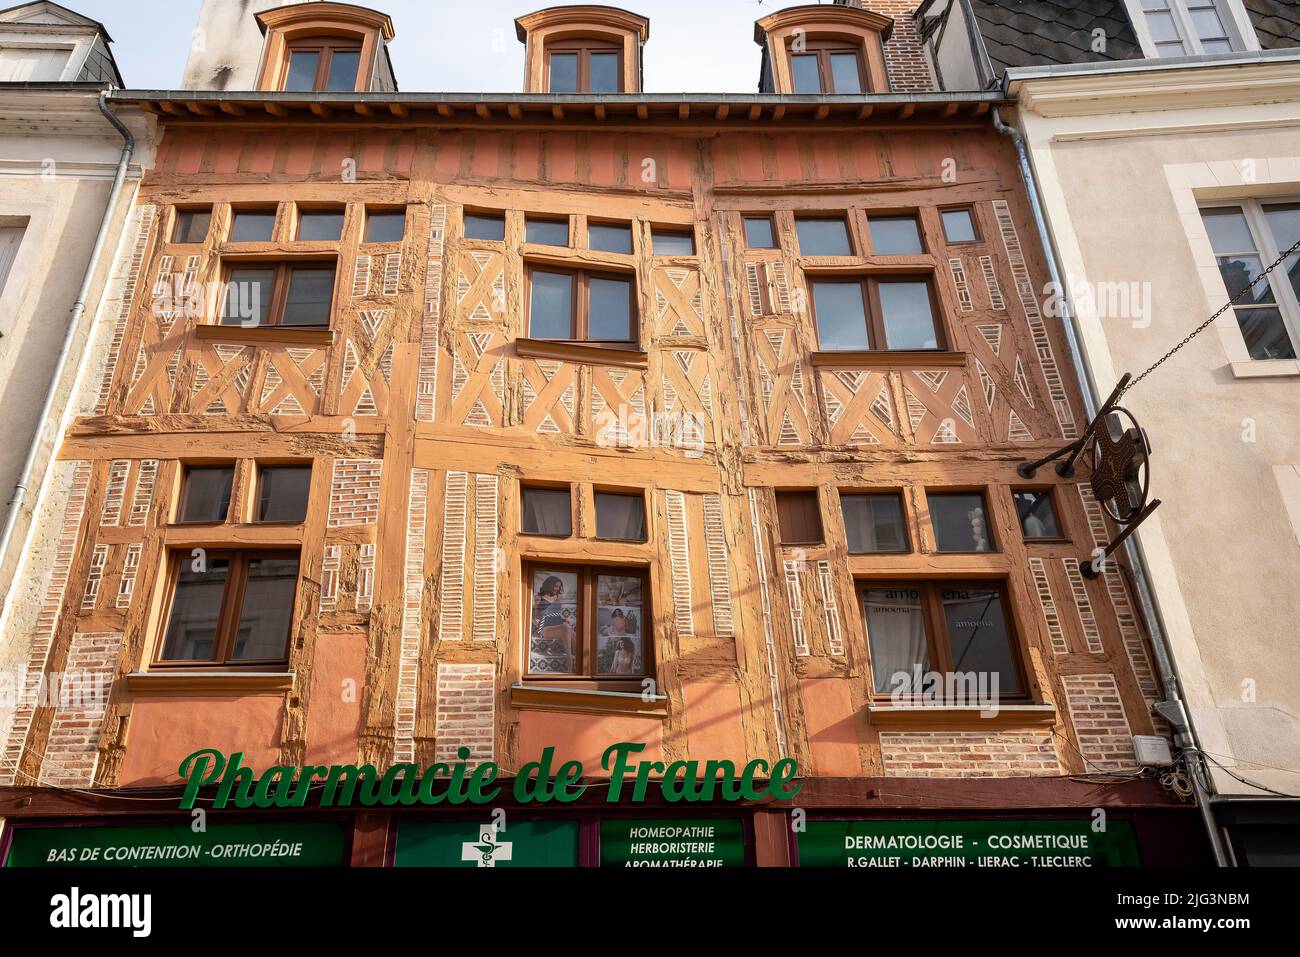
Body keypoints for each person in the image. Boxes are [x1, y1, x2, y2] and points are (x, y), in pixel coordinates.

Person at [532, 575, 574, 672]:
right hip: (545, 628)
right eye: (555, 586)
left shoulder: (559, 597)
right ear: (549, 585)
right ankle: (570, 661)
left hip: (559, 625)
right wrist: (536, 621)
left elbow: (557, 614)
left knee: (572, 632)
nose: (557, 589)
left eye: (559, 587)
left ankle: (579, 663)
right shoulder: (539, 597)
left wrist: (565, 618)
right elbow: (536, 617)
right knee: (567, 628)